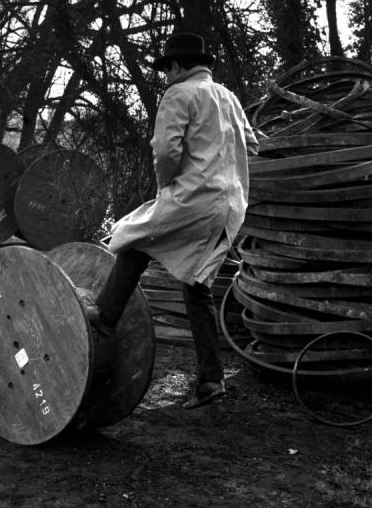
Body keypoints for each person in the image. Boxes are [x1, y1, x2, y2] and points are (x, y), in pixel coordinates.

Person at [87, 32, 259, 409]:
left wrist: (168, 186)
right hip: (231, 206)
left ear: (179, 67)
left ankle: (104, 319)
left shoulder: (179, 94)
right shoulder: (228, 97)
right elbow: (252, 143)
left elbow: (165, 150)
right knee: (197, 286)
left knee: (134, 240)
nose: (165, 76)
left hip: (195, 198)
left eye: (167, 68)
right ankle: (211, 380)